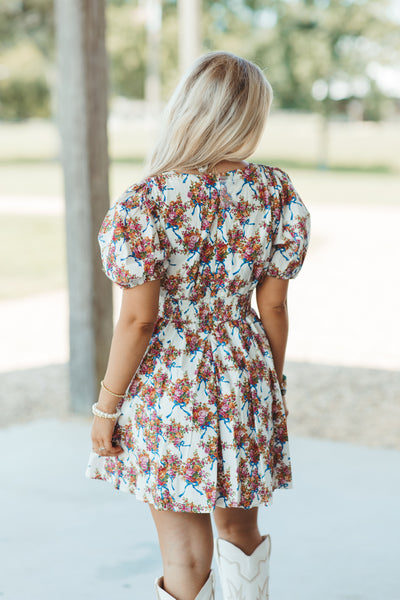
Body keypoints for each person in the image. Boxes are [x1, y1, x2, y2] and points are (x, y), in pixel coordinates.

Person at [85, 51, 311, 600]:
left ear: (186, 109)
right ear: (250, 116)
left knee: (183, 552)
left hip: (169, 386)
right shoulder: (274, 192)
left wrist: (107, 407)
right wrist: (271, 384)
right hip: (245, 371)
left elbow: (140, 320)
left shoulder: (147, 201)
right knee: (240, 531)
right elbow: (273, 309)